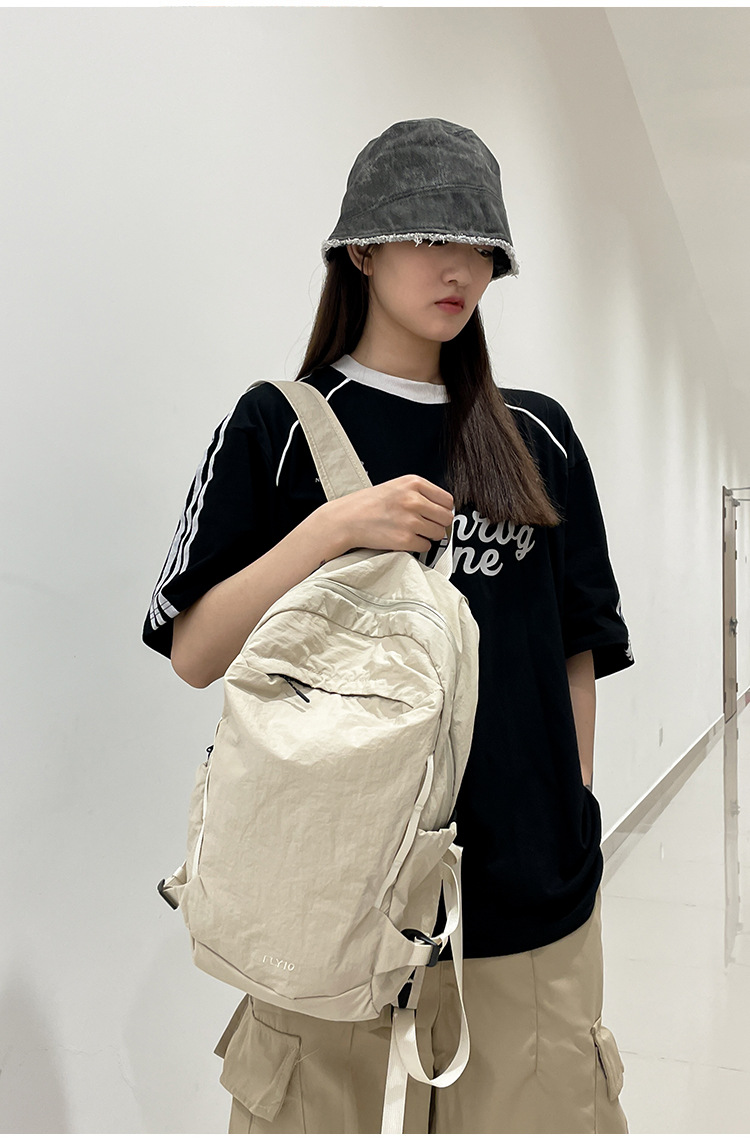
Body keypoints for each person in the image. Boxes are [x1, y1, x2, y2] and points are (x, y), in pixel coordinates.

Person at [143, 117, 633, 1134]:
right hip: (333, 905)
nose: (460, 270)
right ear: (361, 251)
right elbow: (195, 651)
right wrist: (332, 530)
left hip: (525, 903)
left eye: (481, 249)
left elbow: (574, 649)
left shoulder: (535, 434)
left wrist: (573, 811)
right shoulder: (277, 426)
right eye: (429, 238)